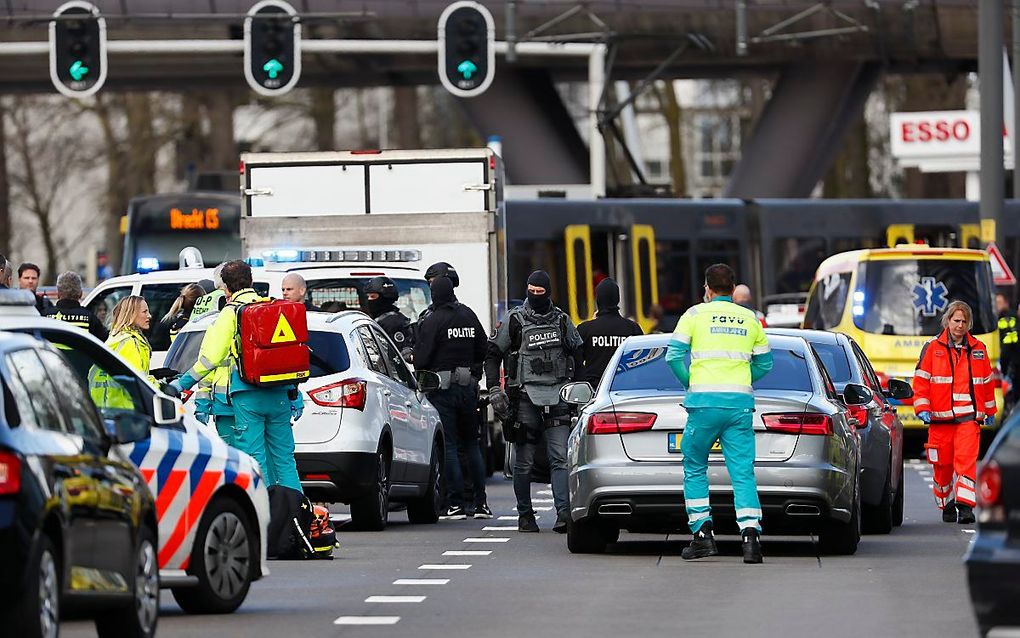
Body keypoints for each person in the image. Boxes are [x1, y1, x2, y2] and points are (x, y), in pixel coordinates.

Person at [664, 263, 773, 564]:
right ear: (734, 288)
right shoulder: (750, 318)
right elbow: (766, 364)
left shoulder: (695, 315)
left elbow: (672, 356)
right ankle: (751, 539)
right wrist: (740, 379)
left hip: (703, 405)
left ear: (707, 289)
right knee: (742, 472)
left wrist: (692, 383)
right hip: (739, 405)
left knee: (695, 465)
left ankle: (702, 535)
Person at [170, 260, 303, 494]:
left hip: (247, 395)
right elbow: (286, 354)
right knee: (284, 460)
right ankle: (299, 516)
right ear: (251, 282)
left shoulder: (229, 314)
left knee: (254, 459)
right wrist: (295, 393)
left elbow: (209, 359)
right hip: (280, 393)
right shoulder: (271, 307)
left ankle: (267, 517)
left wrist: (181, 384)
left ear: (226, 289)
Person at [486, 270, 583, 534]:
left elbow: (578, 351)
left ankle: (564, 514)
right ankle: (525, 515)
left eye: (540, 292)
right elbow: (493, 353)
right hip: (525, 398)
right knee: (524, 460)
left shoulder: (562, 320)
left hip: (559, 396)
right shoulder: (515, 320)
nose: (536, 297)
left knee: (560, 457)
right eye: (532, 291)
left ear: (548, 292)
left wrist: (578, 391)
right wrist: (495, 389)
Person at [912, 300, 997, 525]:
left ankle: (966, 507)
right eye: (956, 320)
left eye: (964, 321)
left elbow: (986, 383)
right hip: (940, 420)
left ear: (969, 324)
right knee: (943, 467)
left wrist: (990, 410)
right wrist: (922, 408)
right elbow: (921, 382)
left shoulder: (978, 350)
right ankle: (946, 502)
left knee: (966, 462)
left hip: (968, 419)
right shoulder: (932, 349)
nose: (960, 325)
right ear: (948, 321)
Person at [413, 275, 491, 520]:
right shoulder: (468, 315)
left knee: (451, 446)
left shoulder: (433, 320)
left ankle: (455, 504)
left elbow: (422, 359)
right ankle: (480, 503)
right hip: (468, 389)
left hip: (443, 390)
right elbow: (483, 347)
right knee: (471, 445)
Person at [89, 296, 157, 408]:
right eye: (144, 312)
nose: (149, 315)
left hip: (113, 408)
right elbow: (140, 382)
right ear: (132, 314)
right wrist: (164, 386)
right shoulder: (128, 342)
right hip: (127, 410)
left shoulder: (117, 337)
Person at [577, 278, 643, 387]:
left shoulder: (585, 329)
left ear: (598, 299)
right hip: (626, 389)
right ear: (617, 299)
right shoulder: (633, 329)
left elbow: (576, 363)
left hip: (594, 391)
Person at [44, 271, 109, 341]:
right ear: (80, 294)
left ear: (58, 293)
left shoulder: (45, 317)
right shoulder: (90, 319)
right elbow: (105, 341)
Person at [365, 276, 414, 359]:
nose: (369, 300)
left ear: (384, 298)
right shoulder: (378, 319)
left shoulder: (393, 323)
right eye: (368, 297)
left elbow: (395, 356)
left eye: (373, 297)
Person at [996, 293, 1018, 407]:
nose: (996, 306)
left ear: (1006, 303)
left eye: (999, 303)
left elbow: (1006, 347)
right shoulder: (1015, 317)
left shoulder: (1002, 320)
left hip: (1012, 364)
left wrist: (1003, 368)